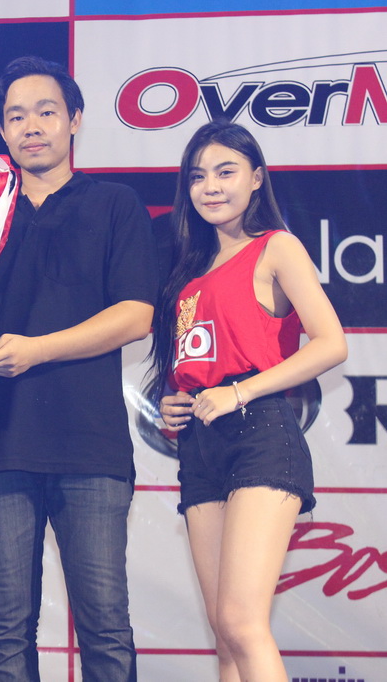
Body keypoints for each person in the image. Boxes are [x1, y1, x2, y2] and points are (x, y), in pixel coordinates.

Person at [0, 56, 157, 680]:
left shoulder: (115, 204)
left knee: (105, 625)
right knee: (6, 629)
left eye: (46, 112)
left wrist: (37, 349)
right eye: (16, 116)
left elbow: (136, 315)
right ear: (3, 132)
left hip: (90, 444)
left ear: (74, 120)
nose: (31, 126)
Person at [152, 121, 346, 681]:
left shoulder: (276, 247)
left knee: (242, 622)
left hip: (260, 433)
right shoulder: (187, 272)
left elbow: (332, 343)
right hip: (200, 445)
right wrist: (175, 400)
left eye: (226, 172)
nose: (210, 187)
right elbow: (198, 360)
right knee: (224, 634)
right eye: (197, 177)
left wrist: (240, 390)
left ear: (257, 178)